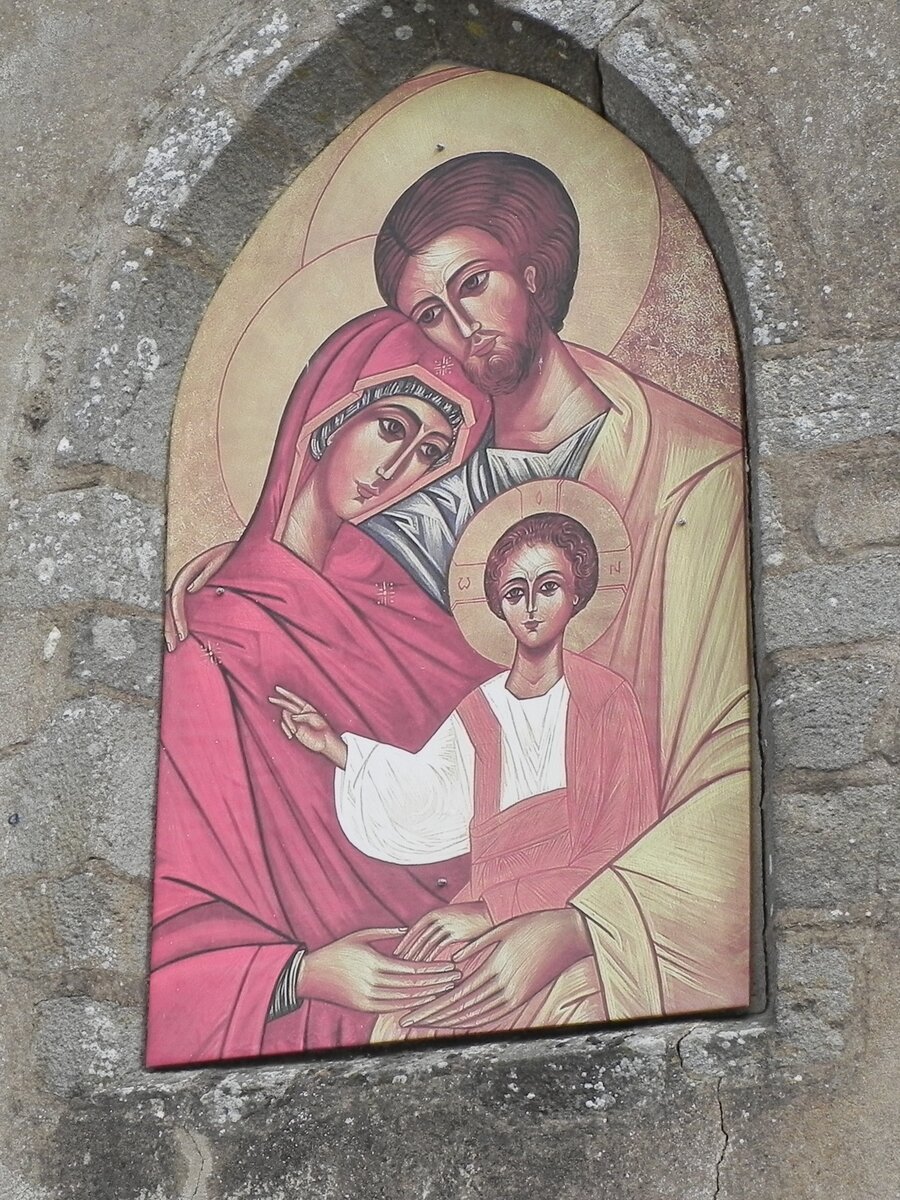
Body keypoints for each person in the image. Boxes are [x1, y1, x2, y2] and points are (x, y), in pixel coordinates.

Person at [167, 152, 752, 1030]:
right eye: (429, 315)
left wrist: (569, 922)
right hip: (441, 949)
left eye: (474, 283)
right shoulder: (428, 523)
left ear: (535, 268)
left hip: (607, 929)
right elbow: (459, 752)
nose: (460, 329)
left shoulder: (690, 475)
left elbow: (713, 765)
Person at [147, 309, 497, 1067]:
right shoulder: (210, 641)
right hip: (336, 1016)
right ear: (324, 418)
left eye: (432, 452)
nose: (400, 469)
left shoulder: (420, 610)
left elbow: (520, 758)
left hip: (475, 965)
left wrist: (493, 903)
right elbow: (178, 901)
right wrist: (300, 974)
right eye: (390, 427)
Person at [269, 511, 657, 1038]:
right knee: (405, 1020)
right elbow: (428, 793)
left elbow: (628, 844)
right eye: (515, 592)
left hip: (572, 908)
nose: (532, 607)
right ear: (498, 604)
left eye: (549, 587)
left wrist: (493, 910)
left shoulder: (608, 700)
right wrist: (336, 748)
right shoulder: (480, 709)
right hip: (483, 899)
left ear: (577, 594)